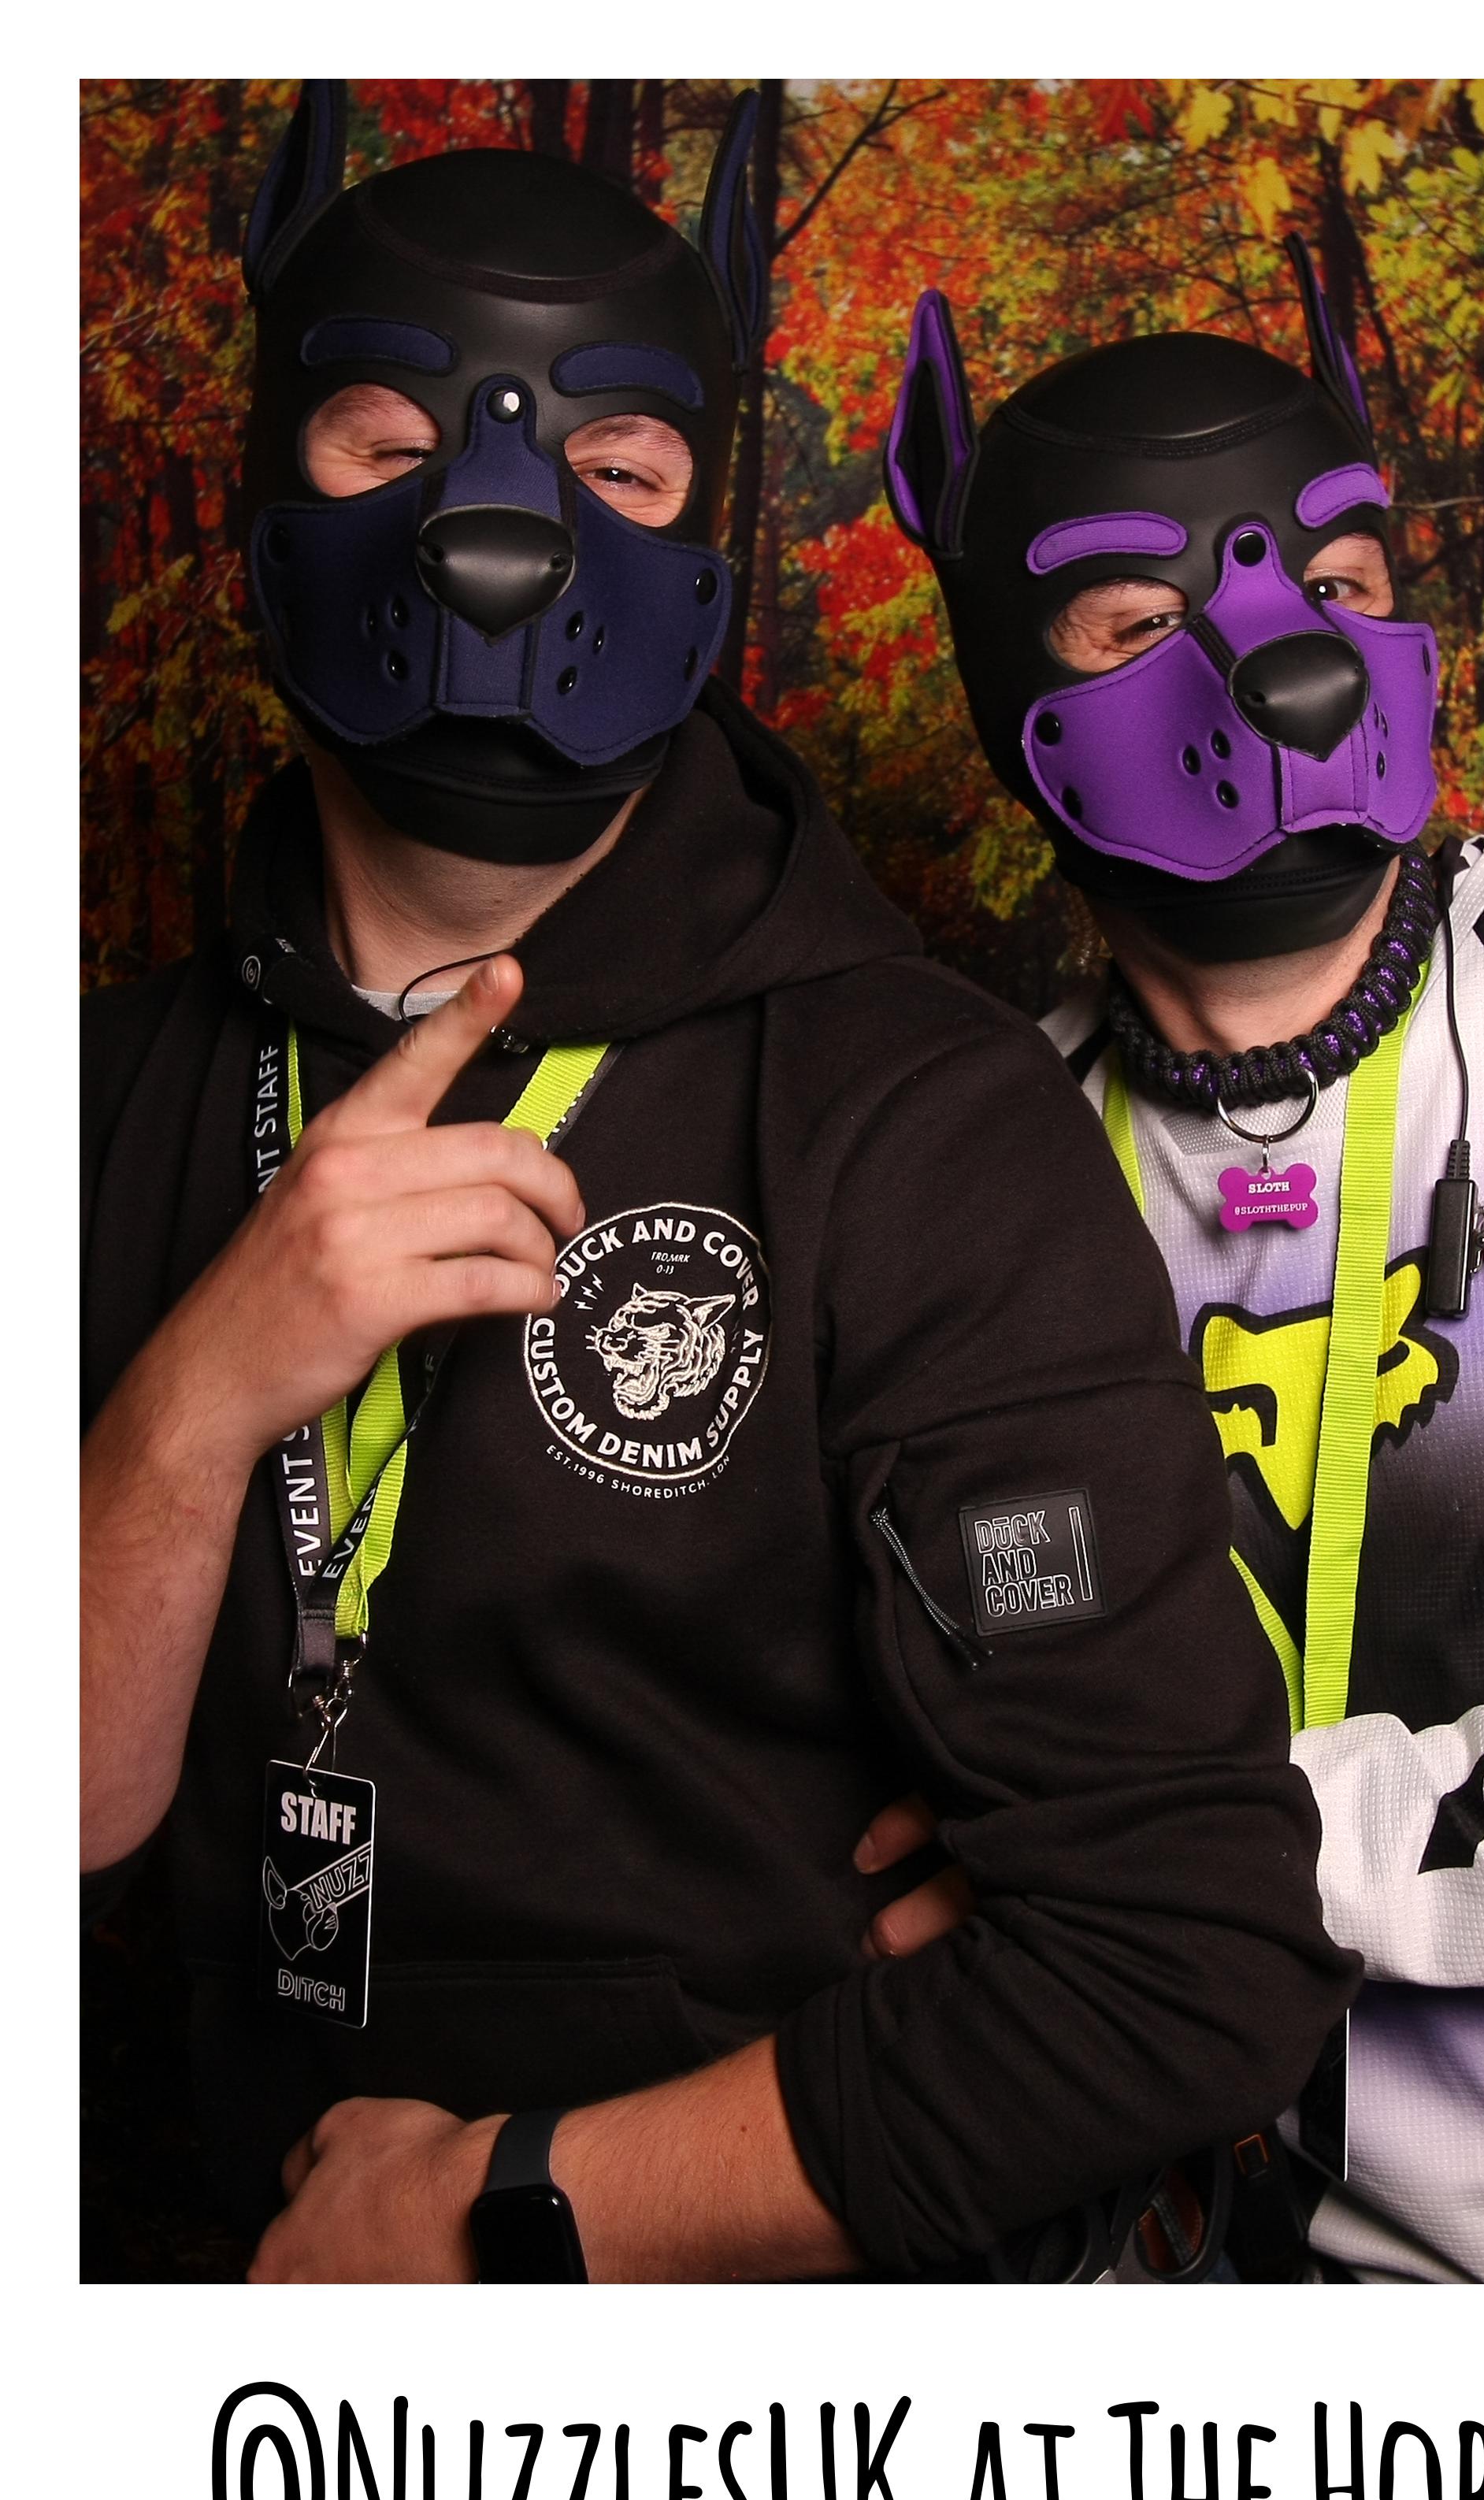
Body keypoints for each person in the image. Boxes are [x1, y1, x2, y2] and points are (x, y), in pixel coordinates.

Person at [80, 89, 1356, 2283]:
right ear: (276, 495)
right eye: (391, 444)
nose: (498, 535)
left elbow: (1179, 1961)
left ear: (707, 536)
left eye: (618, 466)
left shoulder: (920, 1120)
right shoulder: (94, 1096)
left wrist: (504, 2216)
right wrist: (188, 1416)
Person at [868, 255, 1484, 2283]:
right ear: (1012, 697)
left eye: (1343, 581)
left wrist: (1254, 1854)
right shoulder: (978, 1174)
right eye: (1143, 621)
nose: (1286, 666)